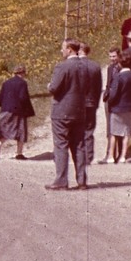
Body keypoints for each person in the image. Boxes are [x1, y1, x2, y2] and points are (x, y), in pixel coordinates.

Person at [46, 37, 89, 190]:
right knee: (79, 145)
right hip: (79, 111)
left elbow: (54, 88)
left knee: (61, 145)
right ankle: (82, 180)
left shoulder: (62, 67)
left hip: (62, 111)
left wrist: (49, 85)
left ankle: (61, 180)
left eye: (63, 48)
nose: (61, 50)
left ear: (69, 49)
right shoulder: (86, 67)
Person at [0, 65, 35, 160]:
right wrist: (27, 110)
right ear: (23, 73)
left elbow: (0, 98)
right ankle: (19, 153)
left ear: (14, 73)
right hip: (18, 111)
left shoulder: (6, 83)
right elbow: (23, 98)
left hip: (4, 110)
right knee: (21, 131)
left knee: (5, 131)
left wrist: (4, 106)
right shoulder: (22, 83)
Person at [107, 50, 131, 163]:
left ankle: (111, 156)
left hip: (117, 108)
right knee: (126, 133)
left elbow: (114, 94)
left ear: (120, 63)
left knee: (113, 133)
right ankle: (123, 156)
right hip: (129, 107)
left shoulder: (118, 76)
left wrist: (110, 101)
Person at [78, 43, 103, 169]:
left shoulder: (76, 65)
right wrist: (96, 102)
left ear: (81, 50)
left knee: (77, 129)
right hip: (91, 102)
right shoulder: (95, 66)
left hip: (78, 103)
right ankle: (88, 156)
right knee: (89, 129)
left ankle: (79, 156)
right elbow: (99, 88)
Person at [99, 48, 122, 163]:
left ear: (119, 56)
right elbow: (108, 84)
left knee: (120, 128)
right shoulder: (110, 68)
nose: (112, 59)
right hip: (109, 101)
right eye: (110, 56)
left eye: (114, 56)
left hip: (119, 102)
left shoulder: (122, 68)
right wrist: (106, 96)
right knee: (110, 128)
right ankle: (110, 154)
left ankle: (120, 155)